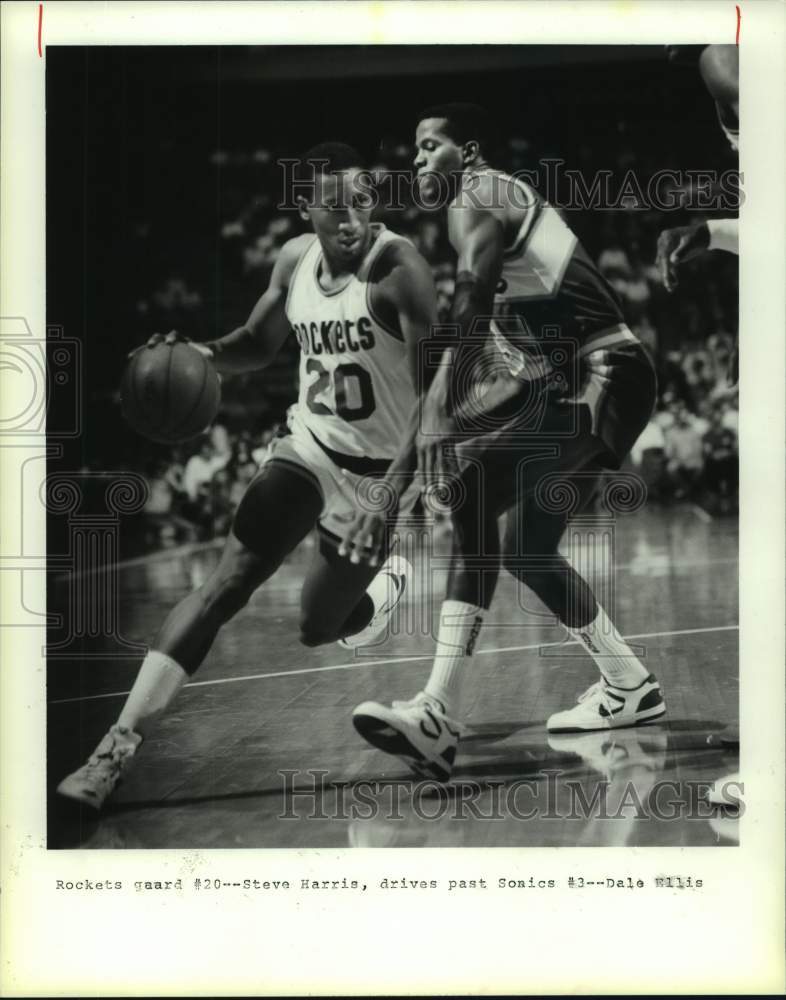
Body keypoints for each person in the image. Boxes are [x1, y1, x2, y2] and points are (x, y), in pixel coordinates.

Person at [57, 142, 439, 809]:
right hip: (308, 448)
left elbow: (433, 395)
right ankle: (114, 749)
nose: (349, 218)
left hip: (377, 475)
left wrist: (392, 496)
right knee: (226, 582)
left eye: (361, 201)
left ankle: (375, 596)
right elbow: (259, 345)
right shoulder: (294, 260)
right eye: (332, 206)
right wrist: (198, 354)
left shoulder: (400, 269)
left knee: (318, 627)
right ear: (305, 209)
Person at [352, 104, 665, 782]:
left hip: (603, 372)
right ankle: (630, 684)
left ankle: (437, 713)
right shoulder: (509, 272)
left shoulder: (479, 193)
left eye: (428, 145)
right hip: (586, 381)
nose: (416, 160)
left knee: (468, 482)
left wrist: (440, 406)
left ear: (467, 150)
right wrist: (413, 464)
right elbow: (509, 390)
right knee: (524, 545)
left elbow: (468, 300)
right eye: (411, 151)